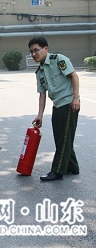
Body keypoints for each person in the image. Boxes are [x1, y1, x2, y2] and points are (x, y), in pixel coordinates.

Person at [29, 37, 80, 182]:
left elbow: (74, 76)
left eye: (36, 50)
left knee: (64, 138)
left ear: (46, 49)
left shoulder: (58, 60)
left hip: (69, 103)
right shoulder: (40, 72)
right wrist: (40, 116)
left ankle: (57, 172)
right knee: (61, 138)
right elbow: (42, 95)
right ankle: (73, 167)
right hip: (57, 105)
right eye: (31, 52)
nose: (34, 54)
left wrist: (76, 98)